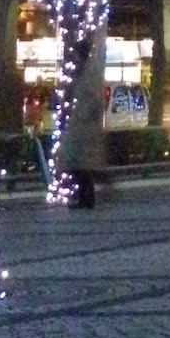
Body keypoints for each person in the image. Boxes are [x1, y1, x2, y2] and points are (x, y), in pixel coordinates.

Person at [56, 29, 111, 210]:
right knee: (78, 165)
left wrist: (84, 114)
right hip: (82, 125)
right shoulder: (85, 72)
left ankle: (86, 198)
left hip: (85, 127)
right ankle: (85, 197)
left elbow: (94, 99)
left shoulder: (89, 73)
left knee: (79, 165)